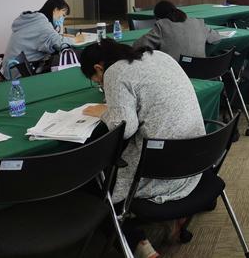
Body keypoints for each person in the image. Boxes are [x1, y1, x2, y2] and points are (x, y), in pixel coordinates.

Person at [80, 39, 206, 258]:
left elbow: (125, 128)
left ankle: (139, 245)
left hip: (163, 171)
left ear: (99, 68)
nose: (101, 85)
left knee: (95, 184)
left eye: (97, 81)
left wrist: (103, 112)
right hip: (197, 160)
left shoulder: (115, 72)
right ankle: (173, 220)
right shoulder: (159, 56)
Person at [2, 0, 72, 78]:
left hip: (11, 69)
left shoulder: (33, 19)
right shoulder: (40, 22)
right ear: (55, 10)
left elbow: (49, 37)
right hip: (19, 73)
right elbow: (59, 43)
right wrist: (76, 40)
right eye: (63, 15)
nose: (63, 19)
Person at [133, 0, 222, 61]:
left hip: (175, 74)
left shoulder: (162, 26)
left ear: (158, 18)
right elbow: (216, 38)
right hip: (201, 72)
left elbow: (137, 45)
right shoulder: (198, 22)